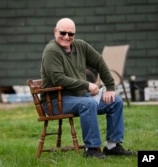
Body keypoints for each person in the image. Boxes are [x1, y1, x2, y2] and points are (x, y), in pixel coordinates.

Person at [40, 18, 135, 158]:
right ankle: (91, 149)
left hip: (79, 97)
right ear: (55, 31)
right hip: (55, 101)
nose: (66, 37)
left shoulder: (80, 46)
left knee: (115, 101)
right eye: (63, 32)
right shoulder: (51, 51)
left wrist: (110, 87)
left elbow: (99, 61)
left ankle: (112, 146)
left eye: (70, 34)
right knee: (89, 104)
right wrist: (87, 85)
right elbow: (58, 79)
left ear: (74, 34)